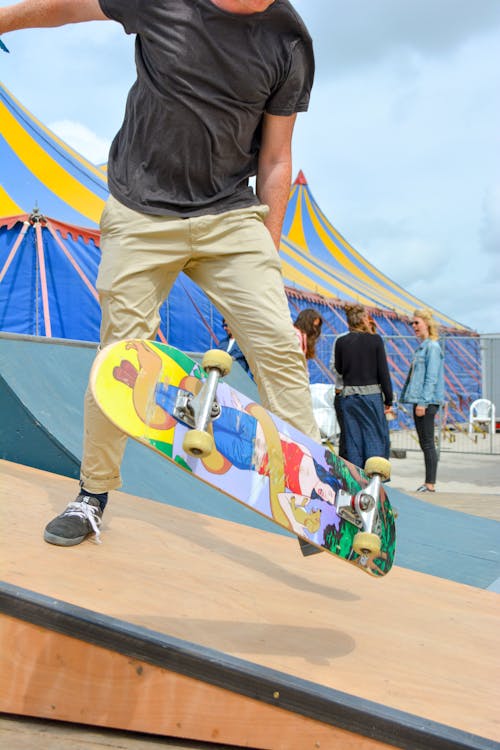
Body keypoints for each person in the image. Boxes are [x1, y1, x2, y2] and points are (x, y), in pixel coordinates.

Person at [0, 0, 322, 546]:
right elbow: (69, 8)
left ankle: (310, 496)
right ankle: (92, 494)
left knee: (276, 341)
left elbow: (275, 158)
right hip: (141, 210)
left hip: (229, 215)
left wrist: (266, 259)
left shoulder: (288, 42)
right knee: (122, 352)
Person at [334, 304, 393, 468]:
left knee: (353, 440)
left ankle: (356, 482)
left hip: (349, 397)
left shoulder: (341, 342)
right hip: (371, 396)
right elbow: (383, 372)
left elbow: (339, 369)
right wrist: (389, 398)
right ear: (362, 319)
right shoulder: (375, 340)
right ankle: (375, 480)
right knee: (375, 437)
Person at [400, 309, 444, 492]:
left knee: (427, 443)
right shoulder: (424, 346)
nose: (414, 326)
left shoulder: (432, 347)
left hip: (426, 401)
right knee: (425, 442)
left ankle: (430, 483)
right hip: (420, 400)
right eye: (413, 323)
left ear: (427, 323)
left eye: (417, 323)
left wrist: (423, 402)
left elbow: (431, 377)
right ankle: (429, 482)